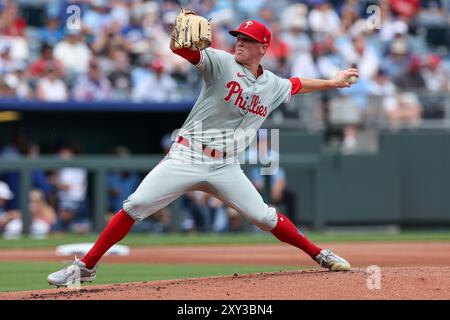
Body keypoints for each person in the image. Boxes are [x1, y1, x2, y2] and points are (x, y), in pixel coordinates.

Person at [47, 10, 358, 287]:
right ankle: (85, 266)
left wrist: (333, 82)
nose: (239, 42)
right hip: (188, 155)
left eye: (248, 40)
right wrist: (176, 41)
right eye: (238, 36)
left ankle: (319, 254)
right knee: (135, 205)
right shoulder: (221, 63)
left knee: (264, 217)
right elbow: (183, 50)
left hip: (226, 166)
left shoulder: (272, 85)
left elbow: (297, 84)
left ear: (263, 48)